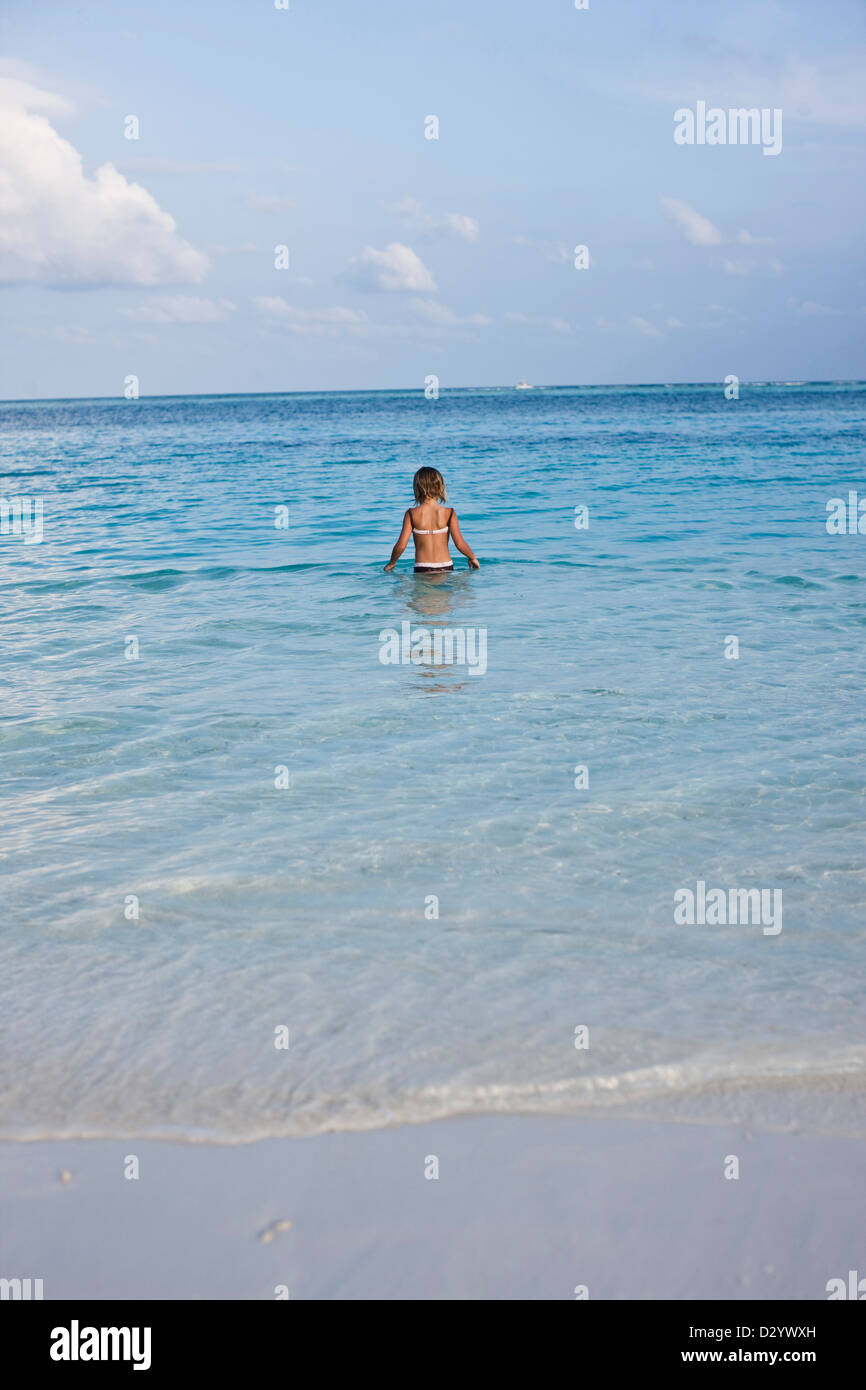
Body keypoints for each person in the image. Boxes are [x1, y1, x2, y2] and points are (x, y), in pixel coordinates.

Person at [384, 467, 480, 573]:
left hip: (422, 568)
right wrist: (472, 557)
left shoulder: (411, 514)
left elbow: (401, 545)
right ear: (440, 487)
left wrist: (392, 562)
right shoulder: (449, 513)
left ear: (416, 488)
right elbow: (459, 544)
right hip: (446, 567)